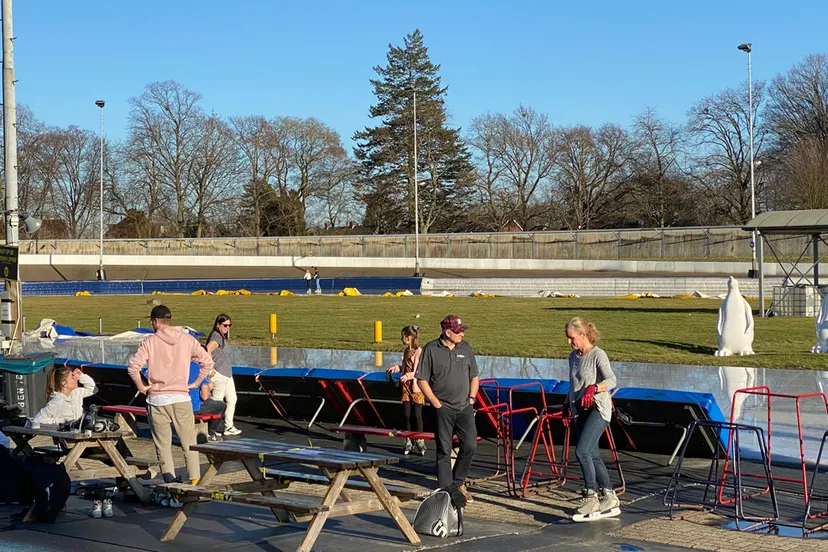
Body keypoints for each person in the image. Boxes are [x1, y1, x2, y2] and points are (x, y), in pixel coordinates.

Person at [127, 305, 213, 484]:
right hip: (181, 398)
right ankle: (195, 482)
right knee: (189, 444)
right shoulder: (188, 340)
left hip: (157, 399)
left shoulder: (150, 341)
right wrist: (196, 383)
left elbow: (133, 368)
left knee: (163, 446)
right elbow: (207, 362)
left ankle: (170, 483)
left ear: (156, 321)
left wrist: (141, 387)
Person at [417, 315, 479, 502]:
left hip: (464, 407)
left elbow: (474, 376)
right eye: (458, 332)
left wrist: (471, 398)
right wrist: (436, 403)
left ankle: (458, 483)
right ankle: (445, 490)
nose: (462, 335)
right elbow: (421, 380)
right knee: (444, 449)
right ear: (447, 332)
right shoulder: (431, 349)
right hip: (442, 408)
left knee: (470, 444)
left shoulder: (465, 348)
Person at [564, 317, 619, 518]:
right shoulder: (573, 357)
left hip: (598, 409)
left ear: (583, 335)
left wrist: (594, 388)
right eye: (567, 338)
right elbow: (573, 385)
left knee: (582, 451)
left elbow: (612, 380)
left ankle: (591, 497)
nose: (569, 342)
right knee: (592, 455)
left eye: (572, 338)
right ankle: (609, 496)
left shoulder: (598, 354)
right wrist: (566, 405)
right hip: (580, 411)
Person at [386, 325, 426, 455]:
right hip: (405, 386)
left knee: (417, 415)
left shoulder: (419, 352)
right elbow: (405, 367)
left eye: (403, 336)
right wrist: (397, 368)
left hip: (416, 387)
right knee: (407, 414)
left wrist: (408, 376)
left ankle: (420, 439)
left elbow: (419, 371)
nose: (401, 339)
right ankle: (408, 439)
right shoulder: (406, 351)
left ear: (408, 337)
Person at [205, 313, 240, 436]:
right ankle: (211, 430)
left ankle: (228, 426)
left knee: (232, 399)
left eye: (230, 325)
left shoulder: (222, 337)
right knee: (217, 402)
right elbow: (207, 349)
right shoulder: (217, 337)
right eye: (225, 325)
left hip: (227, 373)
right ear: (218, 325)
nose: (227, 328)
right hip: (219, 373)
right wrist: (210, 368)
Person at [32, 366, 98, 426]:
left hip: (78, 432)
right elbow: (37, 420)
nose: (76, 379)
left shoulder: (77, 393)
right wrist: (62, 421)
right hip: (65, 434)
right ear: (64, 383)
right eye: (72, 377)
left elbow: (93, 389)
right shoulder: (57, 401)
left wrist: (81, 376)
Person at [197, 373, 226, 442]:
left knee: (212, 402)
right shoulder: (201, 376)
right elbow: (205, 397)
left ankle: (210, 431)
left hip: (186, 403)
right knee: (222, 405)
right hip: (197, 407)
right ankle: (210, 433)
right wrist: (209, 388)